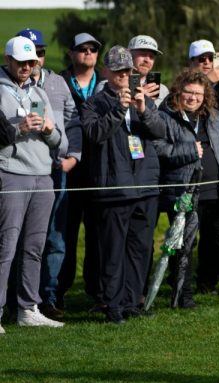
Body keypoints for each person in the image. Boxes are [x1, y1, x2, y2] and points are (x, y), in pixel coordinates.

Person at [154, 69, 219, 305]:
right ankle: (183, 295)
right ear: (179, 92)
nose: (193, 98)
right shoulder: (165, 117)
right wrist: (188, 151)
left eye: (198, 94)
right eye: (188, 92)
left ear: (206, 95)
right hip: (185, 194)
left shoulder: (216, 118)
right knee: (184, 245)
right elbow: (158, 149)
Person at [81, 45, 165, 324]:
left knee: (140, 249)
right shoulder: (96, 102)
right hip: (114, 188)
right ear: (106, 71)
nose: (123, 75)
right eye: (118, 70)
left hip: (145, 186)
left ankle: (131, 302)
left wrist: (142, 109)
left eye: (128, 70)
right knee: (113, 251)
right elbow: (94, 134)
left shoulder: (144, 100)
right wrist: (119, 109)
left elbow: (160, 131)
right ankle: (112, 304)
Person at [15, 29, 82, 319]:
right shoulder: (8, 86)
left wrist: (73, 157)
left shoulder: (55, 84)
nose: (36, 60)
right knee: (13, 239)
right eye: (30, 55)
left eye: (40, 53)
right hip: (16, 172)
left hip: (54, 170)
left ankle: (46, 299)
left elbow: (72, 123)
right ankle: (11, 299)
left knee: (51, 238)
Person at [0, 36, 64, 330]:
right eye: (21, 62)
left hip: (43, 175)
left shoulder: (40, 91)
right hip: (11, 173)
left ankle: (28, 308)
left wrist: (50, 130)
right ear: (8, 60)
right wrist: (18, 128)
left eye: (31, 62)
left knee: (34, 246)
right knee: (6, 246)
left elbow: (59, 142)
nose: (27, 67)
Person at [59, 33, 103, 311]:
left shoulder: (107, 83)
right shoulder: (57, 82)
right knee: (65, 233)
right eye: (82, 49)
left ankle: (96, 291)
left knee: (98, 234)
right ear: (71, 53)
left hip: (100, 170)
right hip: (67, 169)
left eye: (93, 49)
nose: (88, 53)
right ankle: (58, 292)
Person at [127, 35, 169, 104]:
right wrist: (136, 100)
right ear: (129, 54)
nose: (147, 60)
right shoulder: (113, 85)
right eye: (143, 54)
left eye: (151, 57)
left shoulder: (162, 90)